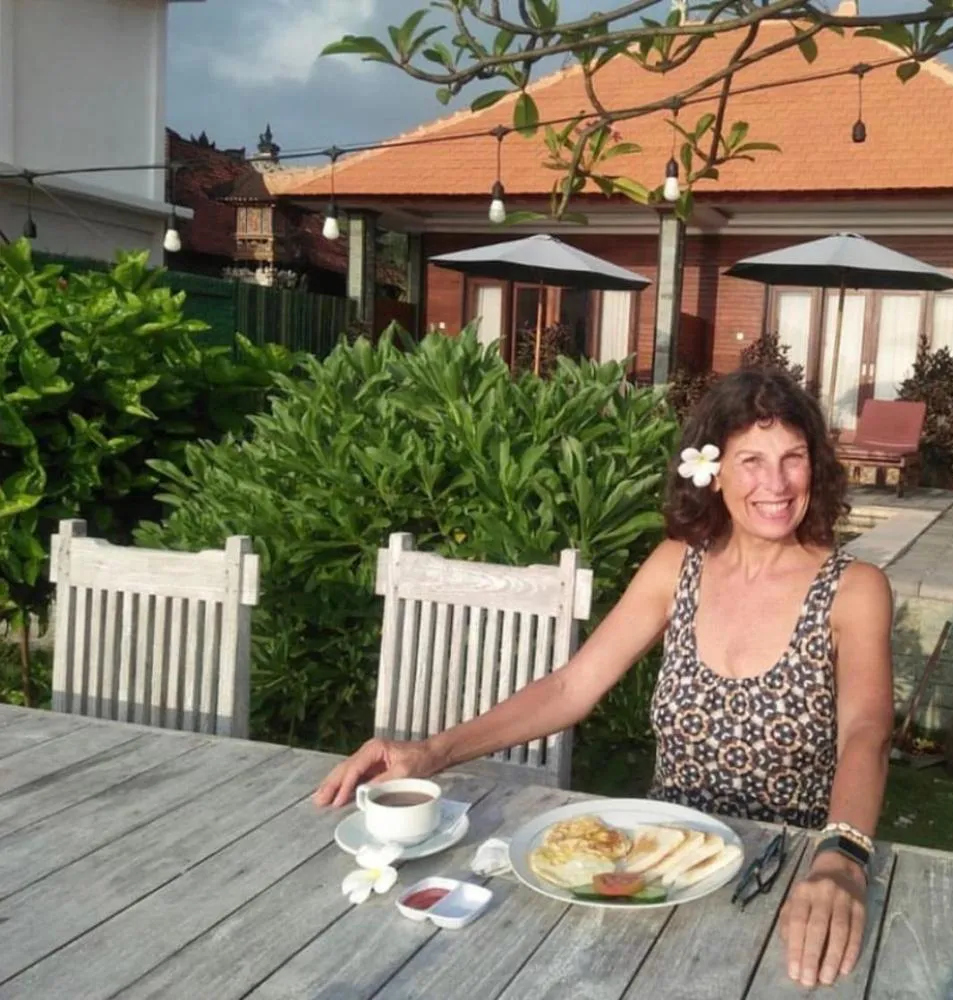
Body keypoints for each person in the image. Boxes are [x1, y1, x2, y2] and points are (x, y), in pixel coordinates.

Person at [314, 368, 894, 989]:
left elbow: (866, 732)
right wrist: (429, 753)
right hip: (655, 869)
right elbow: (572, 688)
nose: (775, 483)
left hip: (788, 875)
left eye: (793, 458)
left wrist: (843, 857)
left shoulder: (854, 589)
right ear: (712, 470)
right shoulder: (679, 566)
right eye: (751, 460)